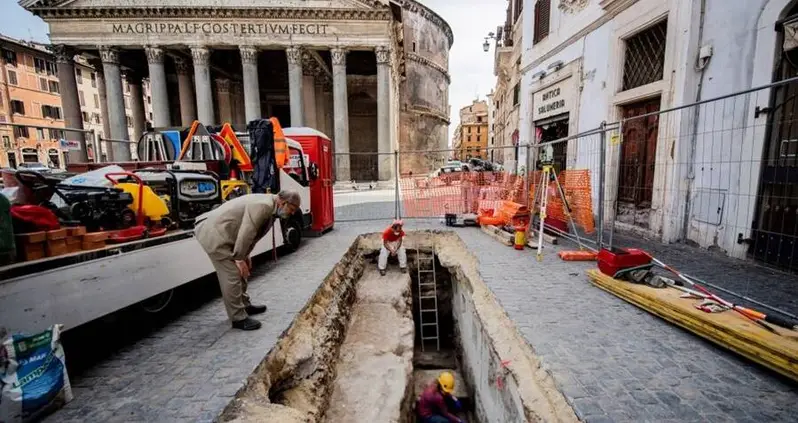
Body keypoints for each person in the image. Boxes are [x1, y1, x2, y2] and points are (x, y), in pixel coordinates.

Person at [194, 190, 301, 330]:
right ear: (283, 202)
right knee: (232, 274)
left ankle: (244, 305)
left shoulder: (272, 207)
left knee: (242, 270)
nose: (292, 213)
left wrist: (245, 255)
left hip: (227, 234)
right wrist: (239, 258)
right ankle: (238, 318)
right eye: (291, 209)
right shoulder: (264, 206)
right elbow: (247, 232)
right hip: (214, 235)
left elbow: (253, 235)